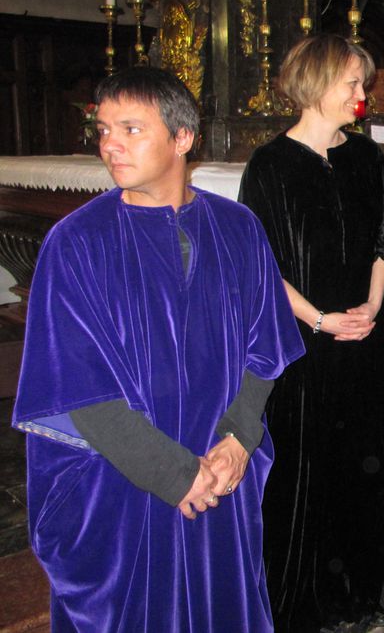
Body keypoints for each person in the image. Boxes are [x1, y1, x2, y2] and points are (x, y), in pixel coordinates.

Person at [13, 67, 304, 632]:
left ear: (182, 138)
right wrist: (175, 475)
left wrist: (240, 438)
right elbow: (76, 389)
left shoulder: (238, 227)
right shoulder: (75, 243)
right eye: (103, 129)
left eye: (130, 128)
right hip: (123, 486)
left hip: (221, 472)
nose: (110, 144)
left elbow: (264, 347)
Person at [238, 35, 384, 633]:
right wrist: (321, 318)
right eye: (353, 83)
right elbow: (259, 266)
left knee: (360, 468)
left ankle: (356, 592)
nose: (363, 95)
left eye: (363, 83)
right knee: (303, 473)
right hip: (303, 347)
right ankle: (301, 602)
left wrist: (370, 305)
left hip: (362, 339)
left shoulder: (365, 158)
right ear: (314, 83)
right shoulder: (270, 166)